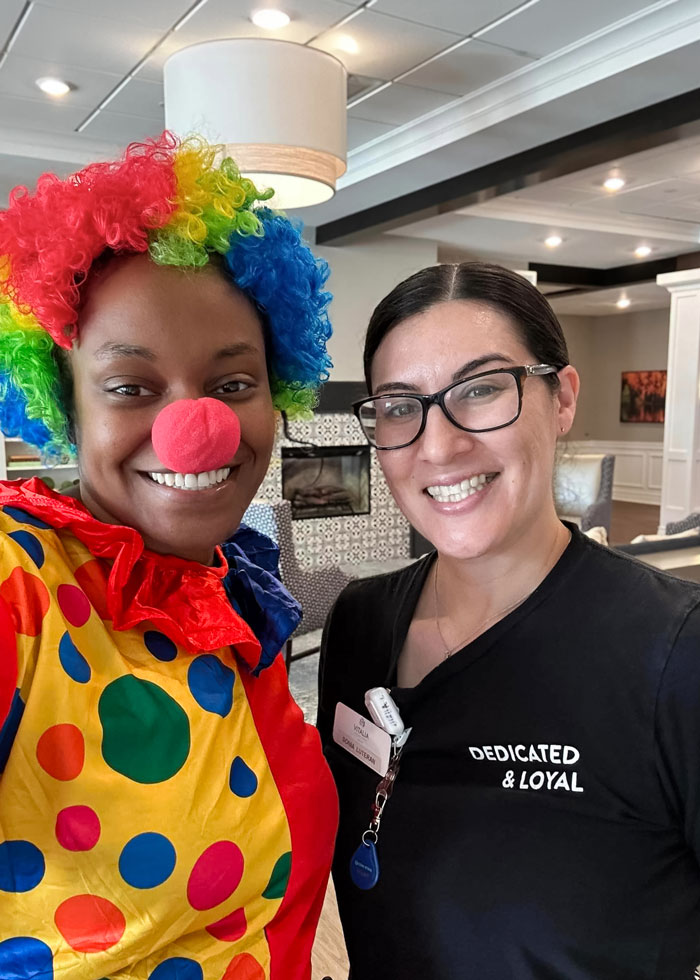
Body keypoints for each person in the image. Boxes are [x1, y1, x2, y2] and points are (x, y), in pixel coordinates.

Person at [0, 134, 338, 980]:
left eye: (232, 384)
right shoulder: (18, 581)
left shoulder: (238, 582)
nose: (200, 429)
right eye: (131, 387)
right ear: (66, 408)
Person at [317, 261, 700, 979]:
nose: (438, 445)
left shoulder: (674, 653)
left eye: (483, 389)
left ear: (562, 400)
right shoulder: (360, 625)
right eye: (400, 406)